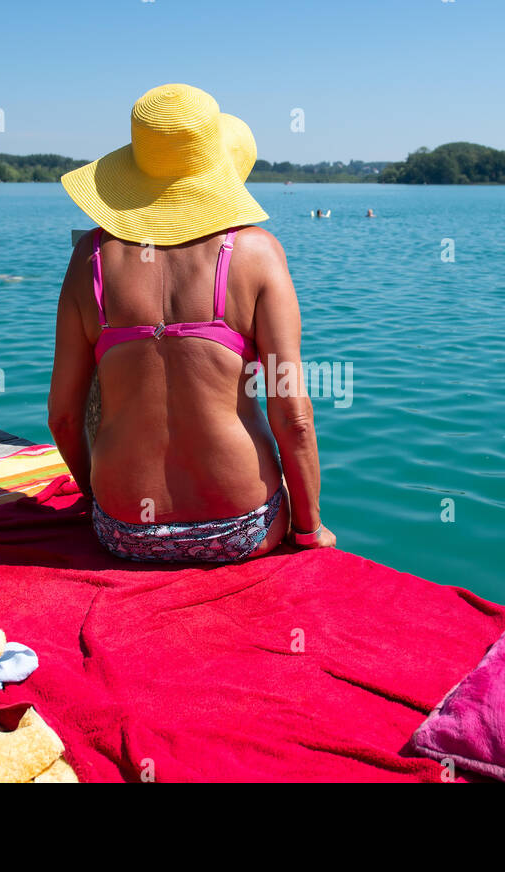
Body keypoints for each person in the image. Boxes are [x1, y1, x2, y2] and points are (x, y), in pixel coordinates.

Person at [50, 83, 334, 563]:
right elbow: (294, 418)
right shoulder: (257, 254)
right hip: (243, 527)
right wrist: (310, 531)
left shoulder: (90, 258)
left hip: (123, 531)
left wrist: (95, 500)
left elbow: (62, 416)